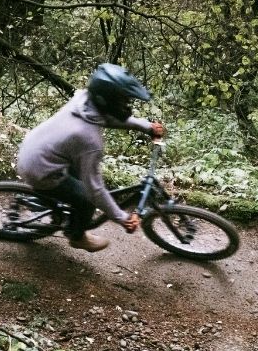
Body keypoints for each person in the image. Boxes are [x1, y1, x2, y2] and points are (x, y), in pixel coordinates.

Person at [15, 63, 166, 253]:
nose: (126, 105)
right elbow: (95, 190)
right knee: (87, 200)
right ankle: (76, 236)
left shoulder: (84, 100)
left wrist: (146, 126)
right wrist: (122, 217)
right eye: (123, 101)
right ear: (107, 101)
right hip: (40, 170)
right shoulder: (88, 139)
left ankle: (56, 206)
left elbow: (107, 117)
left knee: (80, 186)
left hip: (37, 147)